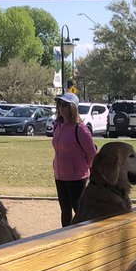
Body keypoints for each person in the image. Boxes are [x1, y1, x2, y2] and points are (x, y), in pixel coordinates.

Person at [51, 92, 96, 226]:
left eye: (65, 105)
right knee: (65, 210)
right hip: (60, 175)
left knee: (79, 210)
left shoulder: (80, 129)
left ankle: (84, 234)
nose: (61, 107)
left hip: (76, 177)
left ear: (73, 108)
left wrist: (83, 168)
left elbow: (92, 153)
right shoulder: (57, 126)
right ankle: (65, 235)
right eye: (59, 104)